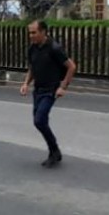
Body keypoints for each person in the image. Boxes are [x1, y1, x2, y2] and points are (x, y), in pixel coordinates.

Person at [19, 19, 76, 167]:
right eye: (29, 33)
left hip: (51, 90)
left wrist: (63, 86)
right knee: (39, 122)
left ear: (43, 32)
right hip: (38, 90)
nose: (31, 35)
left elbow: (71, 67)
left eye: (34, 32)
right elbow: (32, 68)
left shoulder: (54, 48)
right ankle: (54, 151)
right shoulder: (32, 48)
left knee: (39, 120)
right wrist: (26, 83)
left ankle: (54, 150)